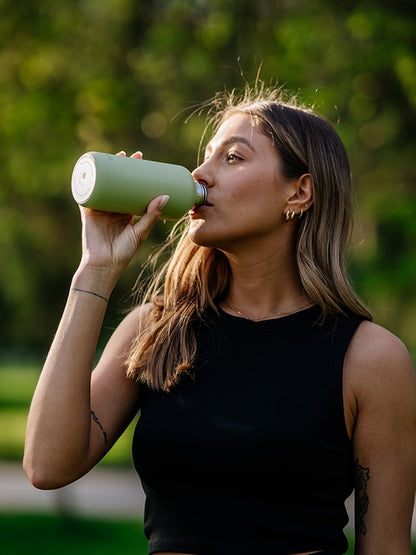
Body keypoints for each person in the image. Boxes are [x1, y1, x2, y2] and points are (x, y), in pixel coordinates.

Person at [24, 83, 416, 555]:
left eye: (232, 158)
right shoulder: (155, 332)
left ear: (300, 191)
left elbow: (387, 548)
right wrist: (96, 270)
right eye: (205, 156)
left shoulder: (370, 358)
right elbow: (46, 466)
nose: (200, 174)